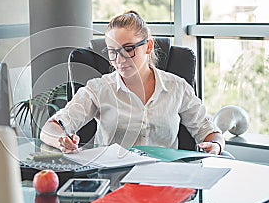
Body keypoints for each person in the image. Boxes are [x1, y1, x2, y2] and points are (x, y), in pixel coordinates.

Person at [40, 10, 225, 155]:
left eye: (128, 49)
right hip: (114, 186)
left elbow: (209, 130)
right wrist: (61, 140)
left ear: (149, 46)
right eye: (112, 51)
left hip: (164, 184)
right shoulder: (99, 89)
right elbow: (50, 128)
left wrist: (214, 144)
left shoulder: (177, 87)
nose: (119, 60)